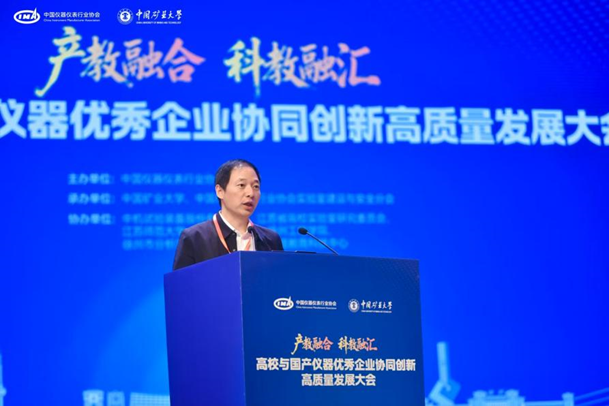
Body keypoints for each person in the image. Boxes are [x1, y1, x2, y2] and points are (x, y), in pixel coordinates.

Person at [172, 159, 283, 270]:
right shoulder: (194, 238)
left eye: (256, 186)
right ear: (220, 191)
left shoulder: (271, 240)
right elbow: (181, 281)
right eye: (241, 185)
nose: (250, 193)